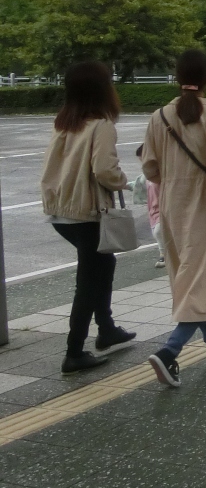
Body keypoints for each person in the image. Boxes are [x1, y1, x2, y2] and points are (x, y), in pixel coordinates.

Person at [142, 49, 206, 389]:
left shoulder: (159, 116)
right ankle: (169, 351)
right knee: (204, 277)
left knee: (191, 278)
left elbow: (150, 168)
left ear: (177, 76)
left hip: (172, 206)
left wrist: (173, 178)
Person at [40, 61, 136, 374]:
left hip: (61, 211)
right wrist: (125, 182)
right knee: (89, 279)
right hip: (87, 212)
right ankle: (74, 351)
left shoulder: (64, 122)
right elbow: (105, 171)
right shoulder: (101, 125)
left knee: (103, 264)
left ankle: (107, 328)